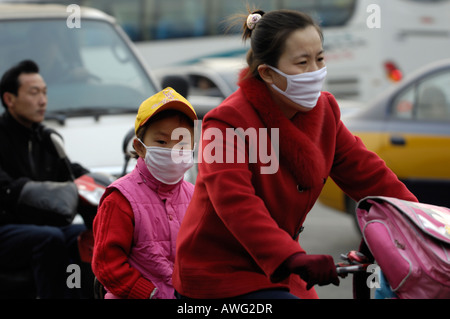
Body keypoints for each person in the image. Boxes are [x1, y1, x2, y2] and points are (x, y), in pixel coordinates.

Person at [172, 9, 418, 299]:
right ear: (267, 73)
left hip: (283, 269)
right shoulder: (224, 123)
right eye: (302, 62)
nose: (315, 71)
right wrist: (292, 257)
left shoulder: (325, 112)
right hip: (218, 276)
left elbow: (370, 174)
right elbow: (233, 200)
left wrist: (424, 224)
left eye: (320, 59)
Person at [92, 87, 197, 299]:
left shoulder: (196, 196)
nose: (173, 150)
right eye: (161, 142)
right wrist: (149, 294)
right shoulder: (120, 199)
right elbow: (107, 264)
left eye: (182, 143)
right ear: (139, 147)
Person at [0, 60, 90, 298]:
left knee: (83, 234)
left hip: (42, 225)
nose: (42, 100)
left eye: (44, 92)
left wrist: (112, 184)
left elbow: (72, 172)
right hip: (6, 227)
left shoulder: (46, 137)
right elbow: (6, 189)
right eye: (34, 93)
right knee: (49, 239)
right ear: (9, 99)